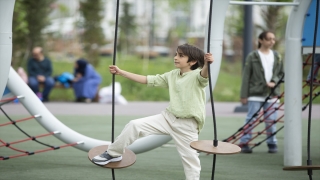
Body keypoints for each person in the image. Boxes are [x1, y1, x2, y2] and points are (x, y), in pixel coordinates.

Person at [92, 44, 213, 180]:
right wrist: (121, 72)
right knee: (134, 125)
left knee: (191, 161)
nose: (175, 58)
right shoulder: (172, 75)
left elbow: (204, 75)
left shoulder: (198, 76)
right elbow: (147, 80)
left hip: (187, 125)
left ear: (192, 62)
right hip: (167, 118)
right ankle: (114, 153)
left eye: (180, 56)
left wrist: (208, 64)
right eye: (176, 54)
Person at [240, 31, 284, 154]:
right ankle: (244, 142)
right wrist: (243, 95)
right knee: (251, 119)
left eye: (273, 39)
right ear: (261, 40)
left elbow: (281, 73)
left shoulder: (277, 56)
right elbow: (246, 76)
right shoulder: (253, 56)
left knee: (271, 120)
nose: (272, 41)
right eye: (269, 39)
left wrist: (274, 81)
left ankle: (272, 143)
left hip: (272, 94)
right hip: (255, 93)